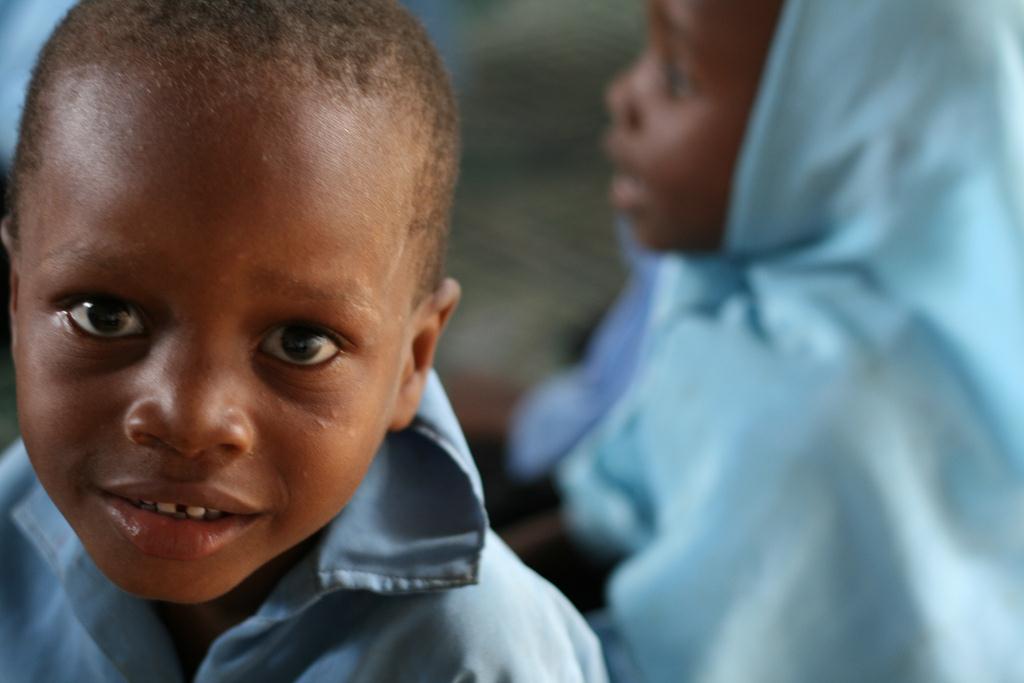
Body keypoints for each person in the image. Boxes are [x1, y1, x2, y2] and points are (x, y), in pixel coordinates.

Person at [0, 1, 607, 681]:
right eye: (104, 315)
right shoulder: (12, 531)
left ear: (413, 361)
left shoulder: (474, 652)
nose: (190, 416)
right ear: (16, 297)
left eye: (300, 343)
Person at [551, 0, 1024, 680]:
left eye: (680, 78)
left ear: (854, 131)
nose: (624, 95)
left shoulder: (805, 425)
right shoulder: (752, 307)